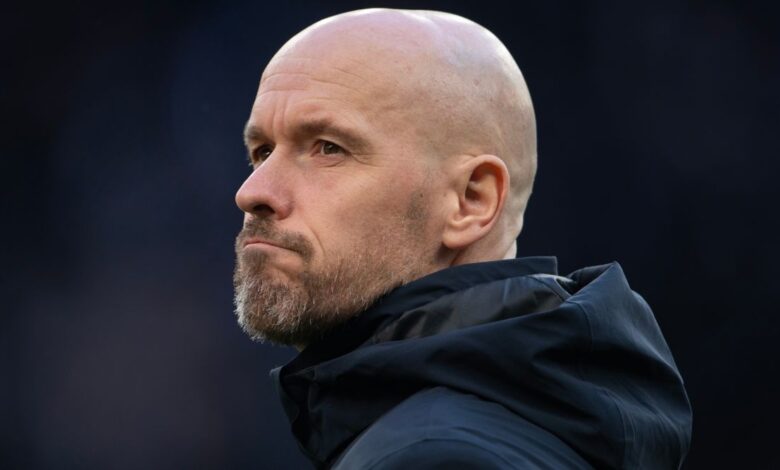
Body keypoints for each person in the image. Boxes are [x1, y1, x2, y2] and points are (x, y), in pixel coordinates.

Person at [232, 8, 692, 469]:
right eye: (262, 152)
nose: (251, 192)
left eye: (328, 147)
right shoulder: (530, 426)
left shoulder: (435, 457)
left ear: (471, 200)